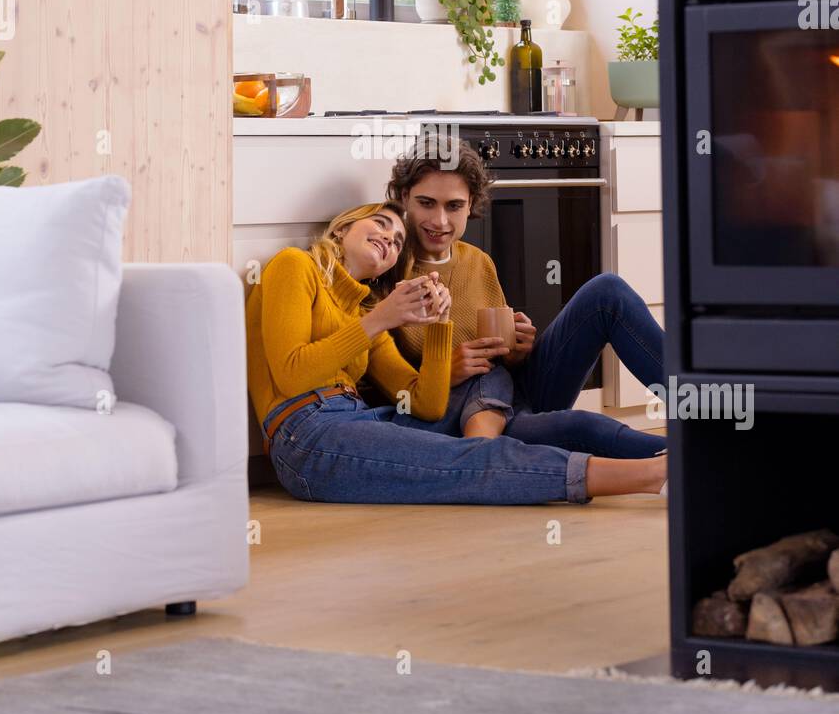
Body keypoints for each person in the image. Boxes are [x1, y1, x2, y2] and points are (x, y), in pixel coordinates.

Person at [245, 200, 667, 504]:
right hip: (304, 434)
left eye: (397, 241)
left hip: (360, 418)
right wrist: (381, 319)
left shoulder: (367, 312)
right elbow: (292, 376)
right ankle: (654, 474)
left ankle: (683, 458)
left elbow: (425, 405)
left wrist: (438, 325)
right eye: (380, 224)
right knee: (467, 462)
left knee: (505, 392)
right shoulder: (295, 265)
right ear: (342, 230)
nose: (389, 239)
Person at [385, 142, 668, 462]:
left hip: (512, 393)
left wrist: (518, 351)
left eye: (454, 206)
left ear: (470, 205)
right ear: (404, 197)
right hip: (460, 420)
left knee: (607, 292)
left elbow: (503, 362)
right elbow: (389, 393)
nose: (440, 221)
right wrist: (445, 373)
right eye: (426, 203)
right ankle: (697, 459)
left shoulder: (478, 262)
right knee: (586, 427)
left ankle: (701, 410)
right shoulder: (386, 269)